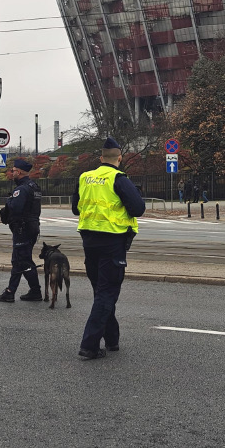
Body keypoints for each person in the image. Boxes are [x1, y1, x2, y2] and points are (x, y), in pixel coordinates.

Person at [72, 137, 145, 360]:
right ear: (119, 158)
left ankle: (112, 339)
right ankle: (89, 345)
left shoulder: (85, 177)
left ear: (101, 158)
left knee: (102, 291)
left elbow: (76, 209)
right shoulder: (119, 179)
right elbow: (138, 209)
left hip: (89, 241)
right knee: (107, 293)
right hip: (112, 242)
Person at [0, 159, 43, 303]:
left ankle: (21, 291)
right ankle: (21, 291)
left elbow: (15, 209)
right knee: (20, 260)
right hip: (32, 227)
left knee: (21, 260)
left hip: (22, 229)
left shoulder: (21, 189)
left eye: (14, 171)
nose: (12, 173)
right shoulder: (34, 186)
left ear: (20, 172)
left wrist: (7, 206)